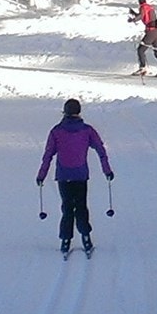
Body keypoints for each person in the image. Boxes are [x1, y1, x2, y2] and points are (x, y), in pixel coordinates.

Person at [35, 98, 113, 256]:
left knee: (67, 208)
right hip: (80, 175)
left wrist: (41, 175)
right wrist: (107, 170)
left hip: (64, 176)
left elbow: (48, 155)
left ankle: (65, 241)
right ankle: (86, 238)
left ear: (64, 112)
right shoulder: (87, 130)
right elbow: (100, 150)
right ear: (79, 112)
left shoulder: (56, 131)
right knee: (82, 206)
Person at [128, 0, 157, 77]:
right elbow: (145, 16)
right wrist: (134, 13)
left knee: (140, 50)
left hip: (151, 32)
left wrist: (133, 19)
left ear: (139, 2)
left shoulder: (143, 7)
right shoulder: (150, 7)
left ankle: (142, 68)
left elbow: (141, 16)